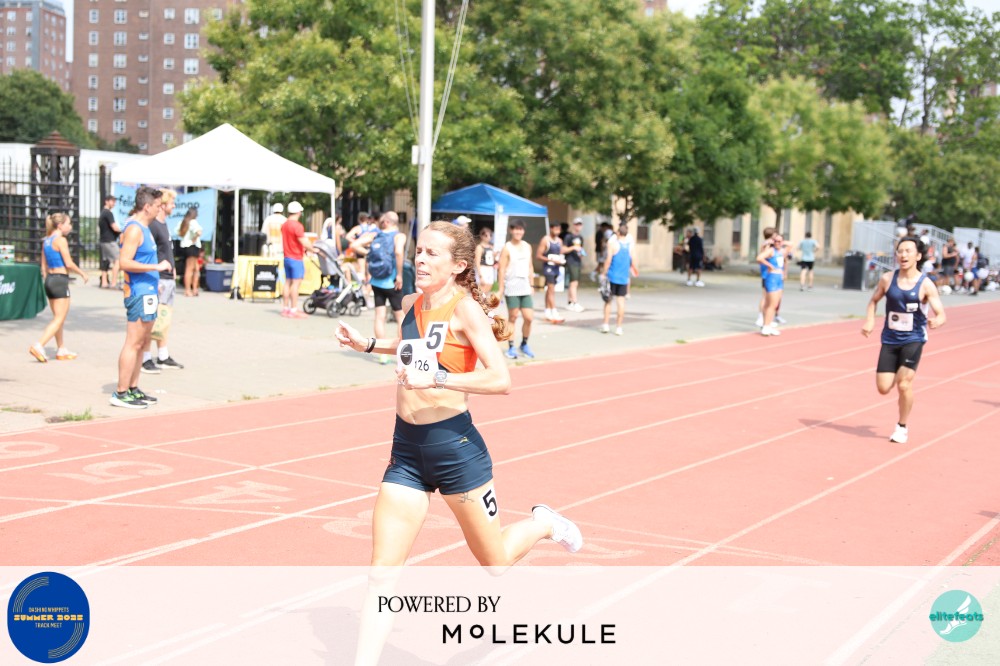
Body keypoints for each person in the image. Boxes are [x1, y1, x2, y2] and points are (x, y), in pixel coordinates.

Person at [334, 221, 582, 665]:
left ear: (458, 265)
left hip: (456, 451)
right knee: (381, 576)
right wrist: (368, 344)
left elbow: (501, 379)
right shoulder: (410, 303)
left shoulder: (465, 310)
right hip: (406, 453)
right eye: (419, 251)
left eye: (432, 254)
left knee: (495, 562)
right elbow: (411, 346)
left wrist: (438, 378)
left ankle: (544, 523)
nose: (420, 259)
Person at [861, 236, 946, 444]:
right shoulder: (887, 279)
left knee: (904, 384)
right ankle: (895, 375)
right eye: (900, 251)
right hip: (890, 339)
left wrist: (937, 321)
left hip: (913, 339)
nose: (903, 255)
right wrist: (870, 321)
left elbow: (941, 313)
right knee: (883, 388)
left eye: (908, 251)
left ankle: (902, 426)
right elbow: (873, 301)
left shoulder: (926, 284)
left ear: (918, 256)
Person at [112, 186, 170, 409]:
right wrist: (156, 267)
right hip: (138, 293)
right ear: (147, 207)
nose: (160, 209)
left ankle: (133, 388)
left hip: (148, 292)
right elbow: (124, 262)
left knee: (143, 343)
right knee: (133, 343)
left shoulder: (144, 228)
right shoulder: (135, 229)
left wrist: (155, 283)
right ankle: (120, 392)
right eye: (157, 205)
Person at [29, 213, 90, 362]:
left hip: (50, 280)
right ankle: (39, 345)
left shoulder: (46, 241)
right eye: (68, 223)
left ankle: (61, 349)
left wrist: (48, 279)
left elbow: (43, 265)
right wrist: (82, 273)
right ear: (60, 225)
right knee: (59, 318)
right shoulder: (61, 240)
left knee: (58, 318)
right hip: (60, 280)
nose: (70, 227)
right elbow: (68, 263)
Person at [353, 212, 407, 364]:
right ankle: (403, 353)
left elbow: (355, 245)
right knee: (400, 317)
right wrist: (400, 275)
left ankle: (383, 353)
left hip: (376, 281)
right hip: (392, 281)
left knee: (379, 316)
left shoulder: (374, 235)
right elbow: (398, 252)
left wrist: (369, 254)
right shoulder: (399, 236)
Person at [142, 188, 184, 372]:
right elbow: (150, 253)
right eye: (171, 203)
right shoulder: (153, 226)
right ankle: (145, 357)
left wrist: (172, 269)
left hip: (168, 278)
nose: (173, 206)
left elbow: (166, 250)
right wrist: (155, 277)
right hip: (159, 279)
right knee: (151, 320)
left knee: (164, 319)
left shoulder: (164, 224)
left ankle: (163, 355)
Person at [496, 220, 536, 359]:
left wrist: (532, 284)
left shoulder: (527, 246)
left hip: (525, 286)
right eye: (516, 229)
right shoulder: (507, 248)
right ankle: (511, 347)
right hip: (512, 286)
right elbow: (501, 269)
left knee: (529, 317)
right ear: (511, 230)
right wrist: (501, 289)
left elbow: (530, 266)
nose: (518, 232)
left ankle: (524, 344)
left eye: (521, 229)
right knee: (513, 317)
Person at [280, 201, 314, 318]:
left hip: (287, 257)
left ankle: (285, 308)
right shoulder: (297, 226)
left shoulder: (284, 225)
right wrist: (313, 249)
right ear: (299, 212)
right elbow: (303, 241)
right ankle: (294, 309)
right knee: (296, 284)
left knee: (287, 282)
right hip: (296, 258)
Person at [600, 222, 635, 335]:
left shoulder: (614, 245)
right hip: (623, 277)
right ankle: (619, 327)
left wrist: (604, 273)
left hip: (612, 276)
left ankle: (606, 324)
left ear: (618, 233)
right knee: (621, 302)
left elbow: (608, 260)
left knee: (608, 301)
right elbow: (632, 260)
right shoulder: (629, 246)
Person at [756, 230, 786, 336]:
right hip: (771, 278)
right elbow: (759, 258)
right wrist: (770, 266)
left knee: (775, 304)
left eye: (780, 241)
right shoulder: (770, 250)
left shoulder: (781, 251)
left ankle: (768, 324)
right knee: (770, 304)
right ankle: (765, 325)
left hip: (779, 279)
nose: (778, 243)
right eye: (776, 241)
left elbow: (790, 246)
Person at [536, 222, 566, 322]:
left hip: (556, 268)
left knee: (549, 290)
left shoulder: (559, 241)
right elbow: (538, 255)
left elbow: (561, 252)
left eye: (559, 229)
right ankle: (554, 312)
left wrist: (561, 259)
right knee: (551, 290)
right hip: (548, 268)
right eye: (555, 229)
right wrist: (551, 260)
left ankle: (547, 311)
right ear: (551, 228)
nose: (557, 231)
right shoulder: (545, 240)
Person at [98, 195, 121, 289]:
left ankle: (104, 282)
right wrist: (122, 232)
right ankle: (114, 283)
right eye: (112, 201)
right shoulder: (108, 213)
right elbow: (114, 227)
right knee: (118, 260)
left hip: (103, 240)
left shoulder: (102, 212)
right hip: (110, 240)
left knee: (106, 261)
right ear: (106, 201)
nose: (114, 204)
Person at [562, 218, 585, 312]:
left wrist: (581, 254)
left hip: (577, 261)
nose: (578, 226)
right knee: (573, 283)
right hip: (571, 261)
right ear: (574, 225)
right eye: (577, 224)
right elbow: (563, 249)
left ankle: (570, 302)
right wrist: (573, 248)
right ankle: (575, 302)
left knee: (574, 282)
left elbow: (581, 249)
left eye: (580, 224)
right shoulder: (569, 237)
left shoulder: (581, 237)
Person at [178, 207, 202, 297]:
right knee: (190, 268)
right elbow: (199, 232)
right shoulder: (193, 222)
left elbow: (178, 232)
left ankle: (194, 288)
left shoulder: (184, 222)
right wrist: (194, 238)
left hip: (186, 246)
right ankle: (188, 289)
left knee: (196, 268)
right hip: (192, 246)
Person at [473, 226, 496, 291]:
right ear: (482, 236)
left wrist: (494, 256)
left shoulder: (491, 247)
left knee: (488, 289)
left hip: (490, 268)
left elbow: (492, 260)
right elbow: (477, 262)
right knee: (481, 291)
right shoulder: (479, 247)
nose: (488, 237)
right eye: (486, 235)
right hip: (483, 269)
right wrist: (480, 275)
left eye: (490, 235)